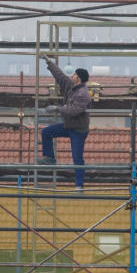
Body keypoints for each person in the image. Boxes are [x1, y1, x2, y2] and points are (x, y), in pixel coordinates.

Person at [38, 54, 92, 190]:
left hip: (78, 130)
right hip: (69, 126)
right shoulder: (71, 87)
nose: (71, 76)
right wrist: (49, 62)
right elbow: (60, 76)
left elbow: (74, 110)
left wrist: (57, 108)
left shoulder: (83, 94)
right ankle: (50, 158)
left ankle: (79, 186)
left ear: (78, 78)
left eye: (74, 74)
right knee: (46, 132)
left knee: (77, 158)